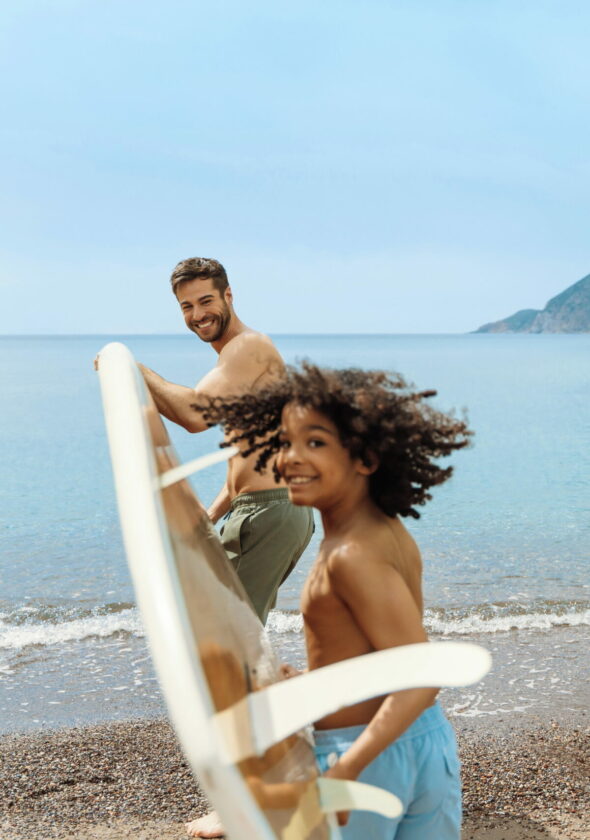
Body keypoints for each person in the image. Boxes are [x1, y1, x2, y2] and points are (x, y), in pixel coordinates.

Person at [194, 362, 472, 839]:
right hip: (423, 741)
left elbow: (421, 677)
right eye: (283, 443)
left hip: (365, 754)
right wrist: (310, 685)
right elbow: (379, 658)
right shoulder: (386, 532)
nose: (290, 459)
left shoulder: (349, 556)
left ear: (364, 459)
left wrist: (344, 771)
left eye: (315, 443)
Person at [136, 257, 314, 626]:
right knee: (225, 632)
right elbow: (250, 453)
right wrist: (214, 513)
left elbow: (194, 415)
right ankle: (267, 681)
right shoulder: (237, 358)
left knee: (226, 634)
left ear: (228, 295)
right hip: (259, 509)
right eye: (187, 306)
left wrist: (132, 369)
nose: (197, 314)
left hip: (269, 512)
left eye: (205, 301)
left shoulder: (249, 348)